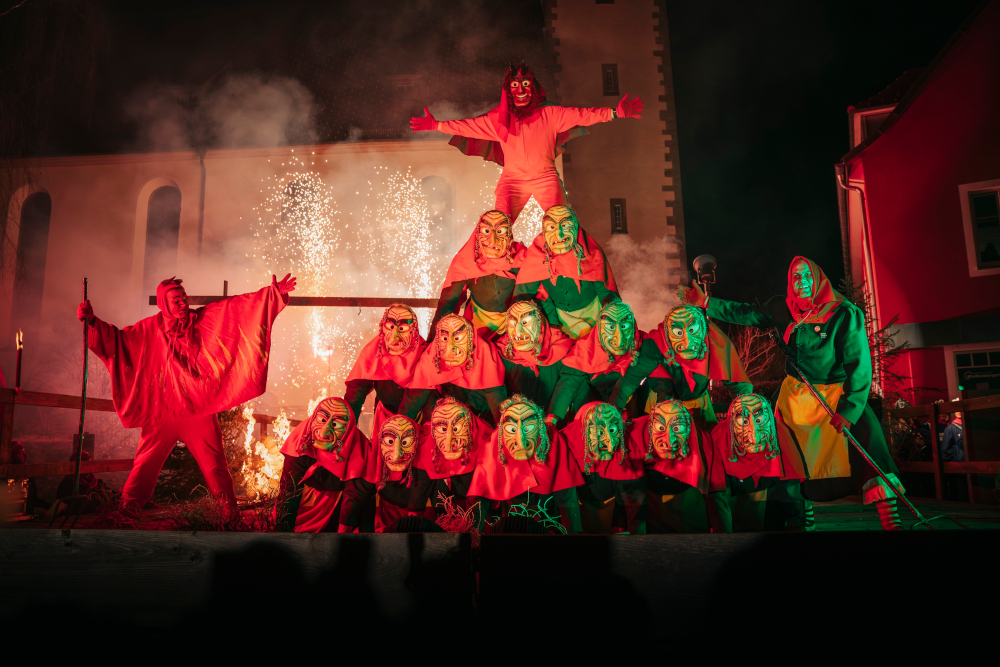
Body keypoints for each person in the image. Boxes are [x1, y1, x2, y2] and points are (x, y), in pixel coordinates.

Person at [679, 256, 906, 530]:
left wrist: (849, 410)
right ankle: (802, 519)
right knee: (788, 456)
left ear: (818, 278)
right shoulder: (783, 308)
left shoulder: (844, 313)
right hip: (794, 395)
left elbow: (859, 364)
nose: (802, 282)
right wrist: (706, 302)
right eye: (796, 277)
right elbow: (746, 312)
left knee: (868, 444)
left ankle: (891, 522)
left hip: (835, 394)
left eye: (807, 276)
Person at [79, 274, 295, 511]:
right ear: (164, 304)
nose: (182, 303)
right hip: (163, 413)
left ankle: (228, 515)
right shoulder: (148, 329)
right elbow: (118, 341)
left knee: (215, 465)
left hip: (197, 410)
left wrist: (273, 295)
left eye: (184, 298)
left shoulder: (202, 320)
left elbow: (236, 310)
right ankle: (127, 513)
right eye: (175, 300)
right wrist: (92, 322)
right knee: (144, 466)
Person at [410, 62, 642, 223]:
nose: (520, 90)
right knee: (497, 225)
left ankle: (571, 268)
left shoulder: (551, 113)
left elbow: (583, 115)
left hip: (545, 177)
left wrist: (614, 113)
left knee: (562, 222)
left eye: (525, 85)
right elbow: (468, 126)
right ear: (508, 92)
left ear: (533, 88)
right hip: (512, 180)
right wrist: (437, 125)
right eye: (514, 86)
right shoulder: (500, 120)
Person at [609, 304, 751, 426]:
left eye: (692, 330)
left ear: (702, 330)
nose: (686, 342)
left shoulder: (717, 344)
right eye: (678, 332)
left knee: (705, 440)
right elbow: (628, 382)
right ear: (667, 334)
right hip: (658, 398)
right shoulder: (654, 344)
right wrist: (614, 411)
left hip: (697, 399)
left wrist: (747, 412)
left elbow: (738, 384)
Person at [468, 394, 584, 532]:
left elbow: (567, 496)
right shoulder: (494, 444)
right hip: (509, 525)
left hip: (548, 525)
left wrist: (574, 536)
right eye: (512, 429)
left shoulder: (552, 441)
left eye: (528, 428)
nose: (521, 442)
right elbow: (480, 495)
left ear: (540, 429)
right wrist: (472, 536)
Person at [512, 205, 619, 338]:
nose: (559, 234)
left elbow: (606, 292)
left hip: (593, 315)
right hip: (559, 319)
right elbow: (523, 294)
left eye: (565, 226)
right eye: (551, 227)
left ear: (576, 228)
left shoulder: (591, 254)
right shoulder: (536, 256)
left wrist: (612, 318)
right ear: (544, 231)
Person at [707, 393, 806, 532]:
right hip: (733, 515)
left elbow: (790, 491)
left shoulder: (778, 434)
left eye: (759, 420)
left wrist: (796, 528)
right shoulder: (720, 438)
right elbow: (718, 496)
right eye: (743, 422)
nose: (754, 435)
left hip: (770, 514)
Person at [627, 399, 722, 533]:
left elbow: (717, 497)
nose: (669, 441)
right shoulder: (636, 443)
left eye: (677, 428)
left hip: (691, 525)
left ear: (688, 430)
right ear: (650, 428)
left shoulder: (704, 446)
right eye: (660, 428)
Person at [548, 299, 646, 426]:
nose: (619, 337)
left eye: (624, 327)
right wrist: (551, 419)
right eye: (611, 327)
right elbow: (568, 384)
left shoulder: (644, 344)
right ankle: (585, 425)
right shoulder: (585, 349)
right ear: (599, 330)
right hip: (592, 405)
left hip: (628, 405)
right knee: (579, 386)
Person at [278, 397, 368, 532]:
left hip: (340, 502)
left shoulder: (359, 450)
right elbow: (289, 491)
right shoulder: (300, 442)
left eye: (336, 425)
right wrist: (283, 535)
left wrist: (343, 535)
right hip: (307, 502)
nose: (324, 432)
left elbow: (354, 498)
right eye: (322, 420)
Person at [431, 210, 527, 334]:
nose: (492, 240)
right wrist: (437, 338)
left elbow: (537, 293)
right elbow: (448, 302)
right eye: (486, 231)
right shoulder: (465, 261)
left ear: (509, 235)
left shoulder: (522, 257)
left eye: (500, 231)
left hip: (515, 328)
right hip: (477, 329)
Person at [400, 314, 507, 424]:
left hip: (475, 409)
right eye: (444, 339)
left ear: (471, 339)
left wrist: (502, 427)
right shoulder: (433, 353)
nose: (450, 348)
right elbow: (416, 395)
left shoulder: (484, 351)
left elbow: (496, 398)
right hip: (442, 409)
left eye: (457, 338)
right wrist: (400, 425)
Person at [338, 414, 436, 533]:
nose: (397, 455)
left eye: (406, 442)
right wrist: (341, 536)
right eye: (390, 441)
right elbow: (354, 496)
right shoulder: (372, 460)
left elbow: (417, 503)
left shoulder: (425, 461)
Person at [562, 402, 647, 534]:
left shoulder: (625, 446)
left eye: (612, 430)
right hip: (580, 505)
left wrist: (632, 534)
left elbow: (633, 494)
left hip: (612, 503)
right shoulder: (567, 444)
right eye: (599, 432)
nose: (609, 441)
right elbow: (564, 496)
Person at [343, 303, 426, 439]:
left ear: (414, 330)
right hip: (384, 418)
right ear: (383, 327)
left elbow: (417, 396)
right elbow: (356, 392)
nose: (395, 335)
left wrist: (400, 426)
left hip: (418, 421)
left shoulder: (423, 353)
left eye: (402, 328)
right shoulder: (373, 352)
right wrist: (345, 428)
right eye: (391, 327)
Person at [413, 396, 493, 523]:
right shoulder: (427, 440)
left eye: (456, 429)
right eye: (443, 429)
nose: (449, 440)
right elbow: (422, 482)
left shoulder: (484, 440)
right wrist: (414, 512)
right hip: (443, 504)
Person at [495, 300, 574, 413]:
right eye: (513, 324)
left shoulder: (561, 349)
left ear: (540, 325)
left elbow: (568, 387)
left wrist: (554, 416)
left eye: (526, 322)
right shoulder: (503, 351)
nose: (518, 332)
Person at [941, 410, 967, 502]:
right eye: (956, 410)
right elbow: (945, 449)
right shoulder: (951, 427)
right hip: (959, 464)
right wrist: (953, 463)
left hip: (969, 463)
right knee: (962, 490)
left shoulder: (970, 425)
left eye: (960, 410)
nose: (959, 412)